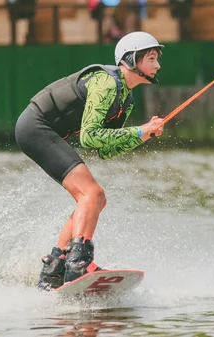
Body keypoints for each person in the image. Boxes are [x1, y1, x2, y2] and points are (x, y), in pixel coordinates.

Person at [14, 31, 165, 291]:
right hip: (35, 127)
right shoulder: (106, 82)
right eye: (151, 58)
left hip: (43, 132)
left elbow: (105, 149)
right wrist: (139, 130)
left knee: (96, 198)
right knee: (91, 193)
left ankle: (55, 266)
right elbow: (91, 136)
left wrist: (144, 136)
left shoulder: (125, 99)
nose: (158, 65)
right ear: (131, 60)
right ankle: (78, 264)